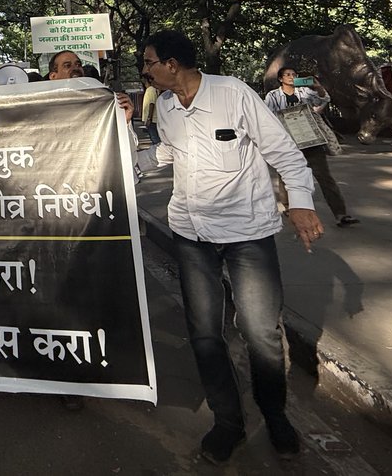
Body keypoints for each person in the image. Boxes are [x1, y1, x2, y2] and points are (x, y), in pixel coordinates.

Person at [126, 30, 321, 464]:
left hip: (247, 235)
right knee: (205, 333)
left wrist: (302, 205)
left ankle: (275, 416)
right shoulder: (166, 108)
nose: (145, 70)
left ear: (172, 64)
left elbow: (285, 152)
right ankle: (227, 422)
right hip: (191, 235)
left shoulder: (234, 94)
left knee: (262, 332)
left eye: (149, 62)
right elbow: (165, 154)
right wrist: (118, 148)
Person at [265, 67, 359, 227]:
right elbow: (268, 116)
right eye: (287, 74)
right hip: (288, 143)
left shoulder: (305, 91)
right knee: (285, 177)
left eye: (294, 74)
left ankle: (341, 214)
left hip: (311, 140)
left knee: (325, 177)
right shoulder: (273, 96)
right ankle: (289, 208)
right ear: (280, 79)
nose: (291, 77)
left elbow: (323, 100)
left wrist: (318, 88)